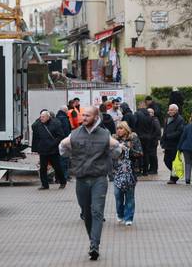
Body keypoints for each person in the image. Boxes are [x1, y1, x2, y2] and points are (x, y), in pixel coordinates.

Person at [59, 106, 122, 261]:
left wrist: (113, 154)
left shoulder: (104, 135)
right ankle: (92, 240)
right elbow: (62, 147)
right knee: (86, 213)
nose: (84, 118)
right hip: (81, 179)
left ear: (95, 117)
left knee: (97, 212)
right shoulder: (75, 134)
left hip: (99, 179)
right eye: (83, 115)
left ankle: (94, 245)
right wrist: (69, 154)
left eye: (87, 115)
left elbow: (118, 149)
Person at [112, 121, 142, 226]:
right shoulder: (114, 140)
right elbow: (110, 154)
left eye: (121, 128)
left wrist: (129, 149)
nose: (119, 131)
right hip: (117, 171)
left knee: (129, 196)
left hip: (130, 172)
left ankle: (128, 217)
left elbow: (139, 153)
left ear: (126, 129)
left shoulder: (133, 139)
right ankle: (120, 214)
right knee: (118, 195)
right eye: (117, 128)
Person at [32, 110, 67, 190]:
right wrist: (36, 148)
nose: (41, 118)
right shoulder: (38, 124)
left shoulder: (55, 124)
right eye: (40, 116)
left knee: (57, 167)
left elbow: (61, 135)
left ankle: (62, 182)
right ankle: (44, 185)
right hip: (43, 150)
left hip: (53, 150)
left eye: (43, 117)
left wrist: (53, 144)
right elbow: (34, 131)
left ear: (48, 117)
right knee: (43, 168)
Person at [161, 104, 184, 184]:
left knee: (173, 161)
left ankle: (173, 178)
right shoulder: (168, 118)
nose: (169, 111)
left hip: (175, 144)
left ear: (176, 110)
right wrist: (162, 140)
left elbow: (180, 132)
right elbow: (165, 130)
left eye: (171, 110)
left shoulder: (180, 119)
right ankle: (175, 174)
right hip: (167, 144)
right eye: (169, 110)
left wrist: (169, 136)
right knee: (166, 160)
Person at [134, 102, 155, 176]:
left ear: (140, 106)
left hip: (139, 137)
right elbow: (152, 126)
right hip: (148, 137)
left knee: (139, 153)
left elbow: (134, 124)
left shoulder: (137, 114)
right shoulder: (149, 115)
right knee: (146, 154)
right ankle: (145, 171)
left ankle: (139, 170)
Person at [56, 105, 72, 180]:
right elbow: (66, 131)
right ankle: (64, 177)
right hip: (64, 142)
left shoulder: (57, 117)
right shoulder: (64, 119)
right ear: (65, 111)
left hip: (58, 142)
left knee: (59, 159)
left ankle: (59, 177)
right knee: (65, 159)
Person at [147, 108, 161, 174]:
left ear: (153, 113)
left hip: (153, 140)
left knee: (153, 155)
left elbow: (158, 130)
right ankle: (152, 168)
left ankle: (154, 169)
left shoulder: (154, 120)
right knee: (151, 155)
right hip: (152, 140)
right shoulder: (151, 120)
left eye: (150, 112)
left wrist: (152, 137)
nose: (148, 114)